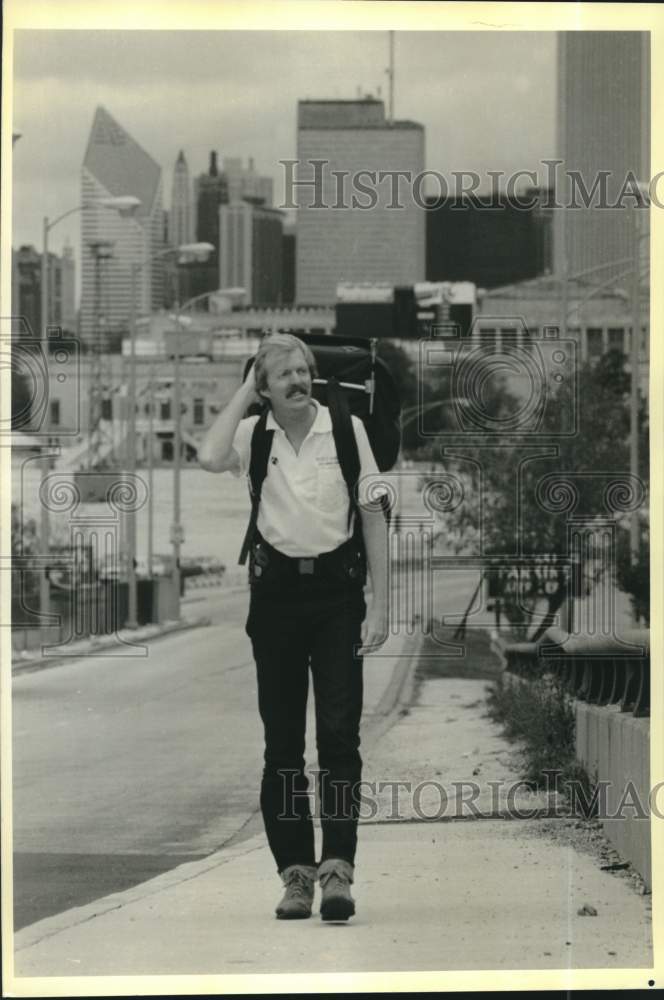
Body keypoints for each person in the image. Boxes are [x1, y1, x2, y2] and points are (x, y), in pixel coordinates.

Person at [198, 333, 388, 922]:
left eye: (303, 370)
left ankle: (337, 870)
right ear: (264, 387)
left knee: (338, 738)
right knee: (282, 744)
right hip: (276, 599)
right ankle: (295, 876)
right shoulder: (255, 438)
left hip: (337, 597)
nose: (298, 381)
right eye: (283, 375)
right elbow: (207, 455)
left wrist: (381, 603)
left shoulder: (347, 430)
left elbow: (374, 513)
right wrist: (242, 389)